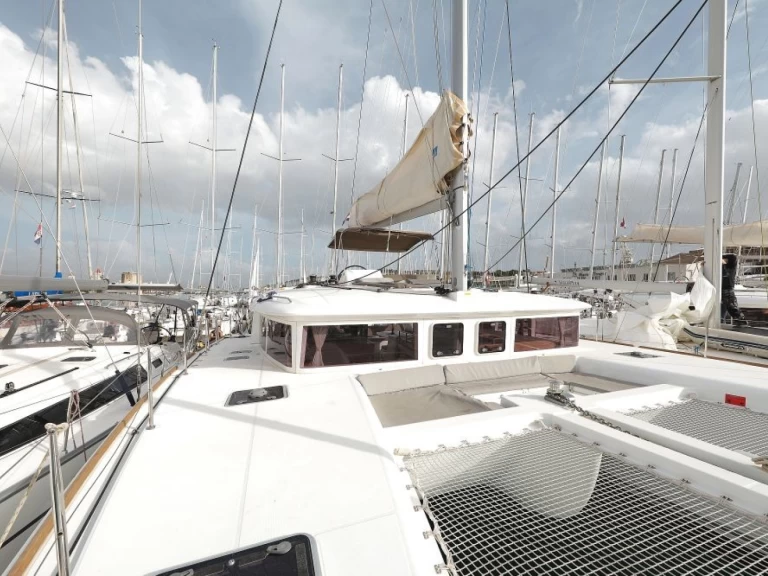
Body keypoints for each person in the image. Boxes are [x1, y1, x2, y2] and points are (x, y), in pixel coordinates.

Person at [721, 253, 745, 323]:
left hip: (727, 289)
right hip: (720, 290)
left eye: (725, 260)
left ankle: (742, 323)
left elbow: (732, 258)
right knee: (724, 311)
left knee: (733, 308)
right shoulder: (720, 266)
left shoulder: (731, 264)